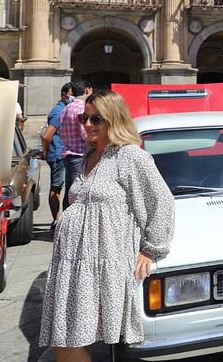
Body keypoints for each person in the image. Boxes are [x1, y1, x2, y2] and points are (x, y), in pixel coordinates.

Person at [39, 89, 175, 360]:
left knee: (70, 342)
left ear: (114, 120)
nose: (87, 125)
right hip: (74, 265)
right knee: (65, 339)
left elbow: (162, 201)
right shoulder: (88, 157)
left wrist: (150, 249)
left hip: (105, 264)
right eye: (84, 118)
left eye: (96, 119)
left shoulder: (130, 156)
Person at [40, 83, 73, 229]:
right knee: (57, 187)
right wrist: (46, 151)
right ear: (64, 94)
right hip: (58, 154)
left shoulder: (62, 109)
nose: (72, 97)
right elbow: (47, 136)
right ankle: (56, 220)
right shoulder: (59, 112)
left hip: (60, 153)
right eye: (71, 94)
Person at [59, 81, 93, 211]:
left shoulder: (65, 108)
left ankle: (66, 221)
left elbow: (61, 133)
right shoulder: (82, 108)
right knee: (77, 195)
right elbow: (85, 134)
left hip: (68, 153)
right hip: (80, 155)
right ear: (87, 90)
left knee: (69, 192)